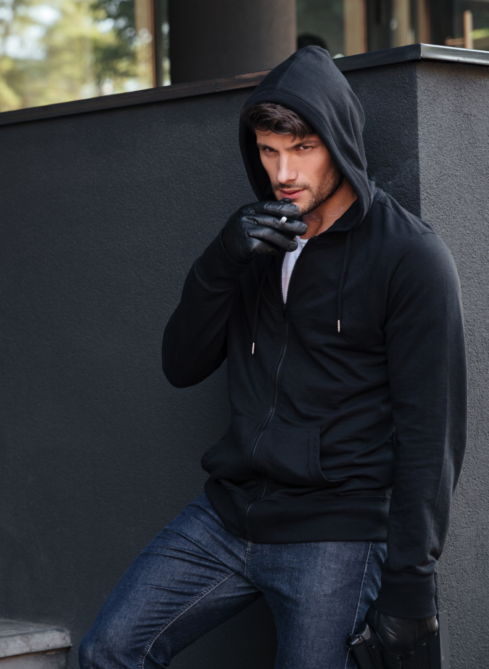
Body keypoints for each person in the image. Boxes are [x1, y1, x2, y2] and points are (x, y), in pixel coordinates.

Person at [80, 46, 464, 669]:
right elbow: (181, 364)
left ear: (338, 141)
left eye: (302, 149)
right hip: (230, 514)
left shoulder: (409, 257)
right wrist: (222, 260)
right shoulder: (254, 238)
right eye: (267, 151)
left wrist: (411, 584)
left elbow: (433, 435)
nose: (283, 171)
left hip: (338, 528)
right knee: (108, 650)